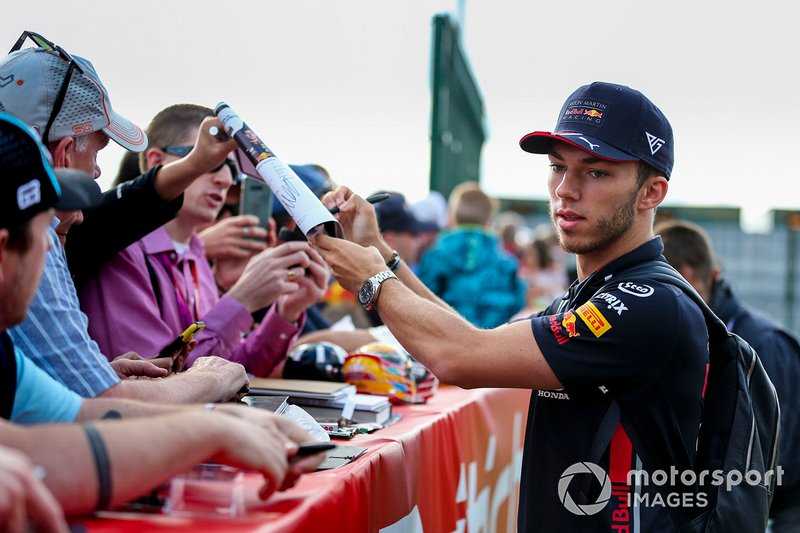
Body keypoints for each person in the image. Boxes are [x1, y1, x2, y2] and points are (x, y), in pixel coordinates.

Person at [314, 82, 709, 531]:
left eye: (596, 172)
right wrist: (378, 253)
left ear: (651, 192)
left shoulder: (646, 303)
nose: (565, 189)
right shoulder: (596, 293)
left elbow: (460, 358)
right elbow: (470, 341)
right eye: (557, 167)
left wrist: (372, 280)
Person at [0, 113, 324, 521]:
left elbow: (79, 421)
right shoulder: (126, 255)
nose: (59, 248)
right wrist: (213, 417)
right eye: (48, 232)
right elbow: (159, 382)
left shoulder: (7, 358)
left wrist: (220, 422)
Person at [1, 31, 249, 401]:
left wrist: (100, 372)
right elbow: (102, 407)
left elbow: (55, 395)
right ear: (65, 154)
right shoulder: (36, 237)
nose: (99, 173)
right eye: (98, 153)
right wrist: (212, 378)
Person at [79, 104, 329, 377]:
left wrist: (286, 311)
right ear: (155, 162)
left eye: (232, 171)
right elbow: (157, 380)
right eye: (213, 163)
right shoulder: (125, 253)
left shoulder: (195, 253)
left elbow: (233, 367)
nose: (224, 179)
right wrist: (241, 300)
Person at [657, 219, 800, 531]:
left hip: (776, 513)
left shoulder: (763, 342)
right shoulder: (690, 337)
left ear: (693, 276)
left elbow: (777, 457)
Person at [417, 181, 525, 328]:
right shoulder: (506, 263)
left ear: (451, 218)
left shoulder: (435, 256)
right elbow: (517, 302)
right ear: (489, 221)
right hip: (494, 342)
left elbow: (422, 300)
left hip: (444, 341)